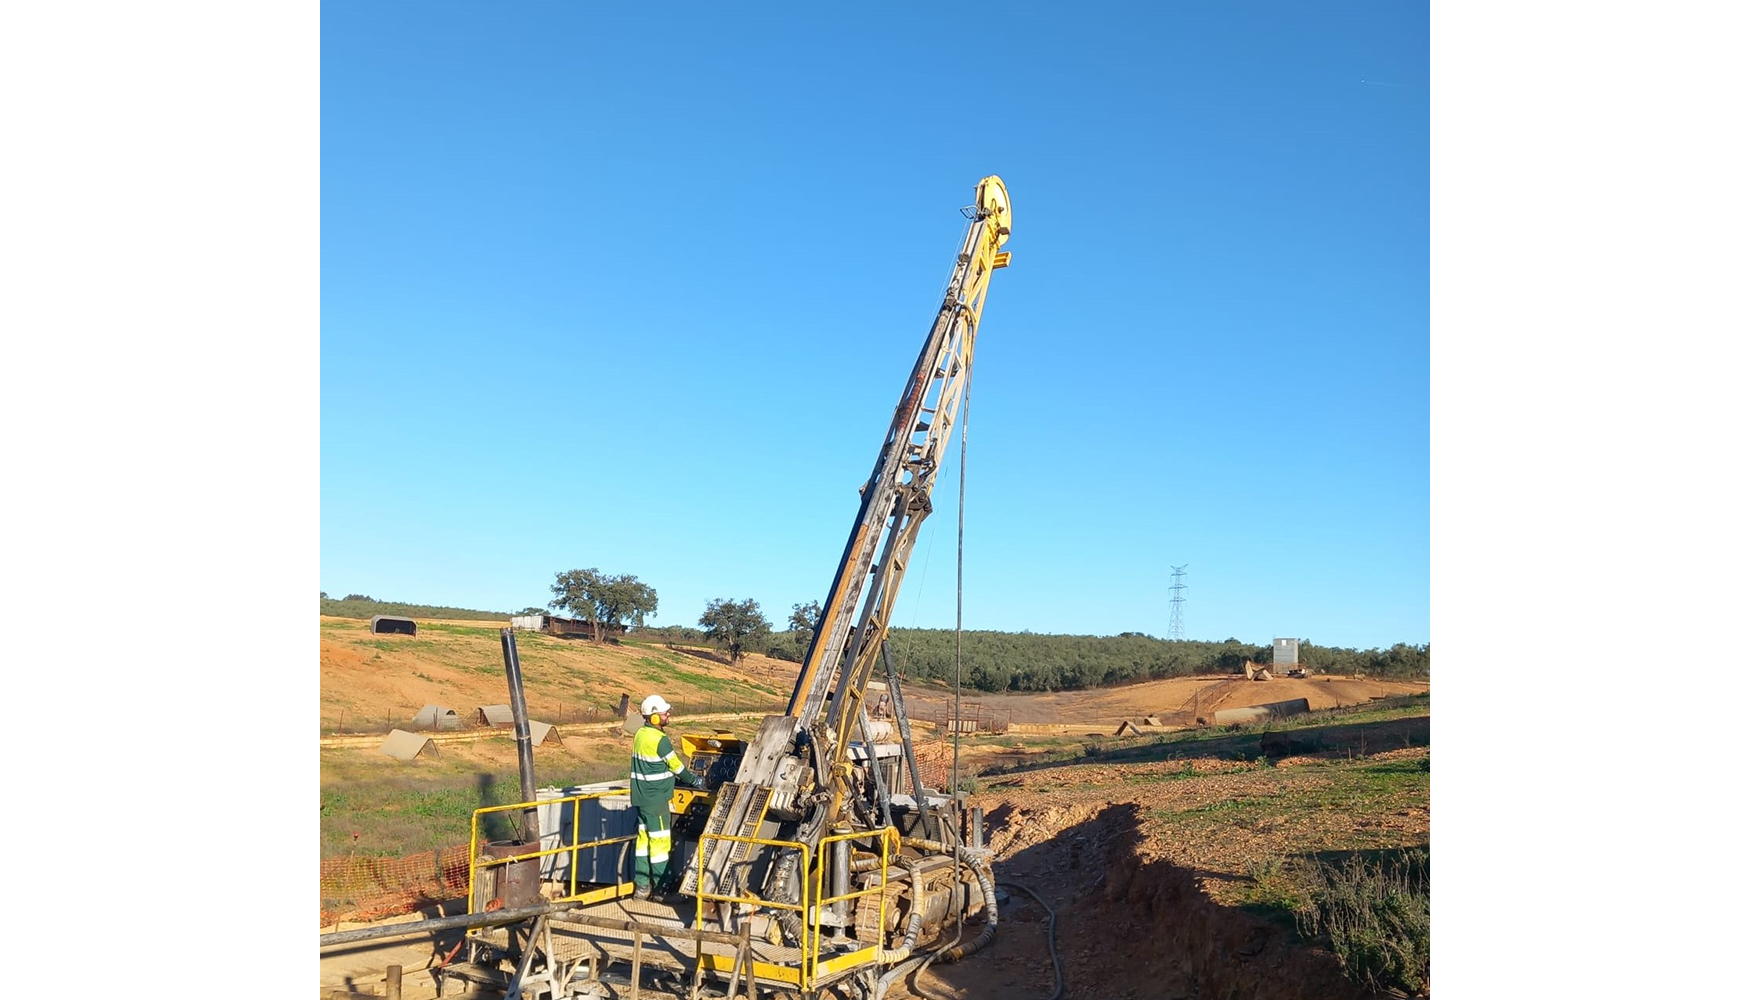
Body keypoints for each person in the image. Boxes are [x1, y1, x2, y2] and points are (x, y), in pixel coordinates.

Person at [629, 693, 703, 900]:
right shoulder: (660, 740)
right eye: (664, 713)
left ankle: (642, 888)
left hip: (641, 799)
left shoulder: (639, 734)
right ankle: (663, 889)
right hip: (656, 800)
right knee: (660, 845)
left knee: (643, 843)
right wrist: (694, 781)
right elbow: (676, 766)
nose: (668, 714)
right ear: (653, 717)